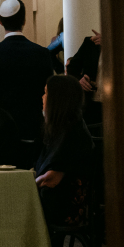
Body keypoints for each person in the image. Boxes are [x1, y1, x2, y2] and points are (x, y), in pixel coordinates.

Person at [0, 0, 60, 146]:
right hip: (34, 130)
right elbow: (49, 91)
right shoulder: (42, 53)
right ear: (24, 20)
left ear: (0, 21)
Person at [36, 74, 98, 227]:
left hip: (64, 206)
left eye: (46, 93)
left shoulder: (72, 134)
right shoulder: (65, 127)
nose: (42, 97)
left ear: (57, 100)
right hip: (56, 198)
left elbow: (49, 178)